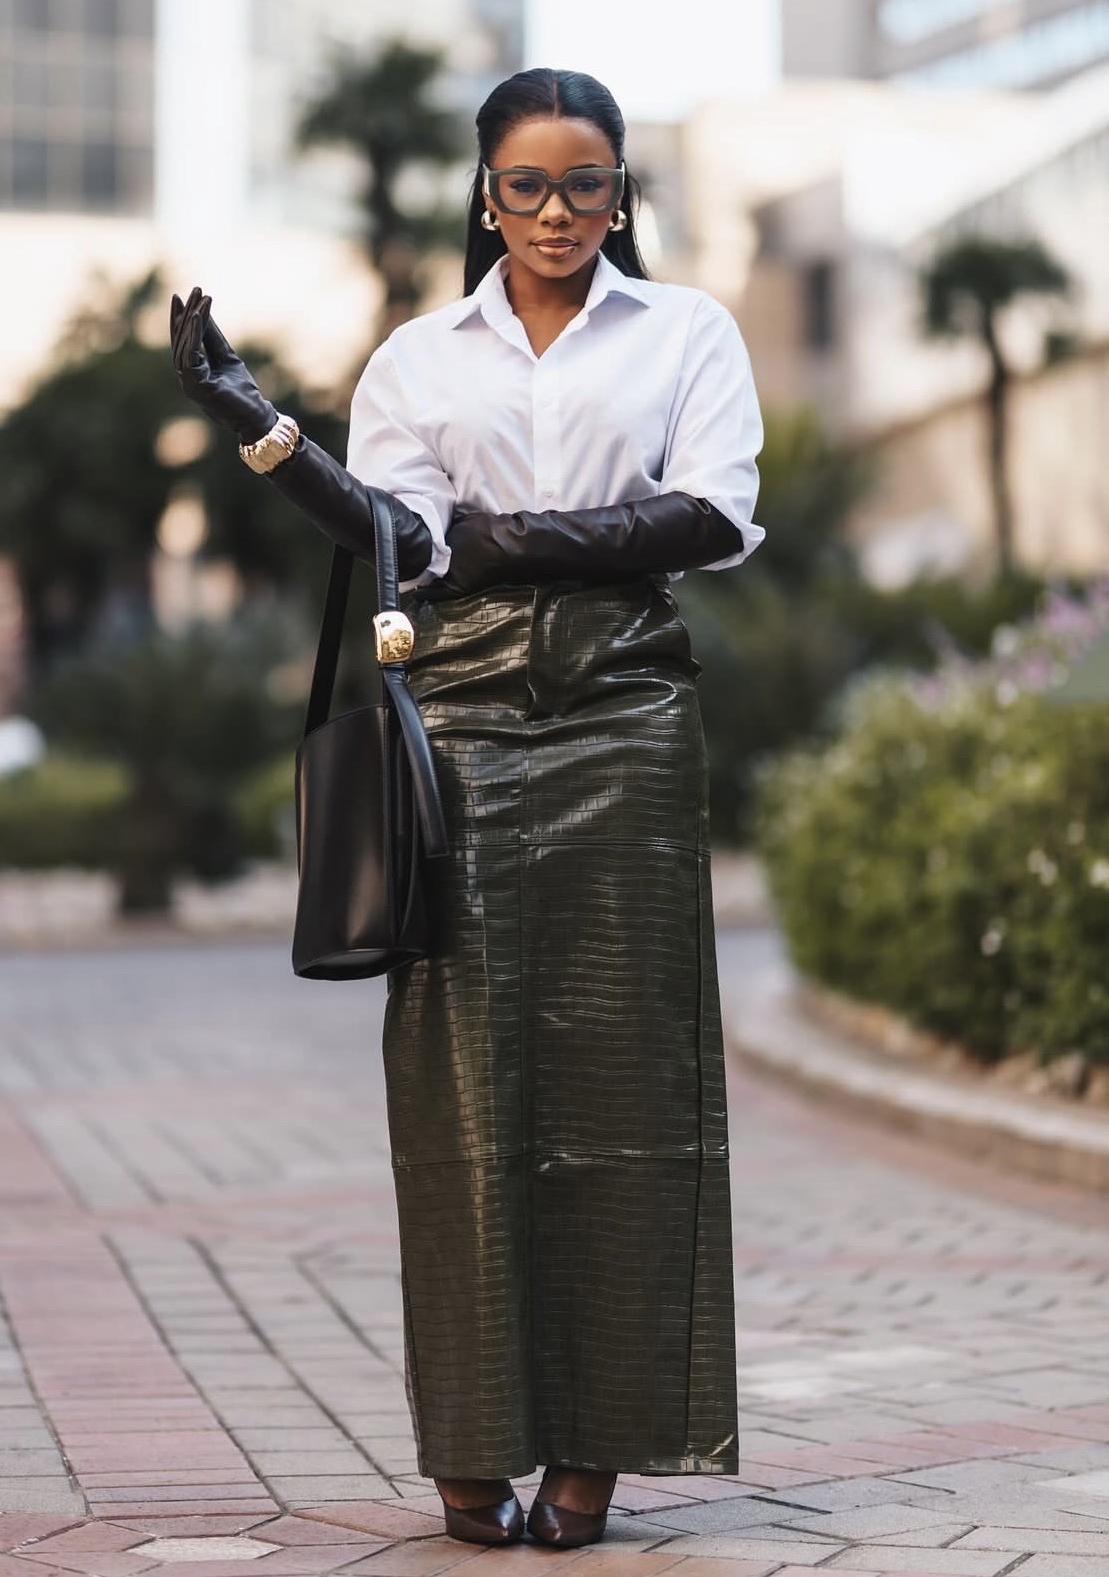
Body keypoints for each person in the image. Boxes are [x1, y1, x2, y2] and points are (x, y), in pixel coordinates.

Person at [170, 65, 763, 1550]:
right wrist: (266, 434)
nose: (556, 213)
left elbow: (716, 512)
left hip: (628, 713)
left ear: (622, 191)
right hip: (466, 715)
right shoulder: (418, 358)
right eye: (526, 186)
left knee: (631, 1086)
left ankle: (595, 1454)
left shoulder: (688, 329)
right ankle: (471, 1438)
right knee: (461, 1085)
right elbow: (395, 538)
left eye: (585, 184)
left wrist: (506, 537)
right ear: (482, 193)